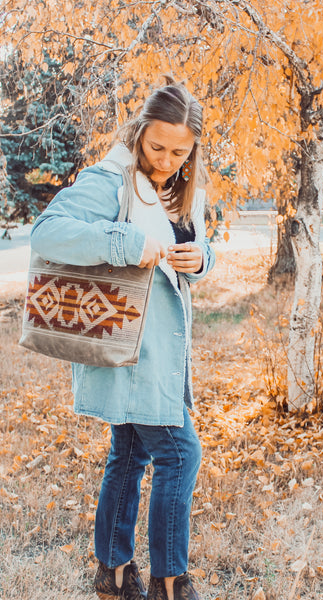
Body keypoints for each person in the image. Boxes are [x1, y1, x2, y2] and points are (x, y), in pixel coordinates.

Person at [30, 77, 216, 600]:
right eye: (157, 146)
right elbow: (47, 231)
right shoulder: (109, 179)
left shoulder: (182, 190)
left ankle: (112, 573)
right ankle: (170, 583)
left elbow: (198, 250)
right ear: (138, 132)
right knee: (181, 455)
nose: (167, 159)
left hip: (161, 354)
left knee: (130, 455)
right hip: (129, 352)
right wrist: (125, 241)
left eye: (181, 151)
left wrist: (202, 259)